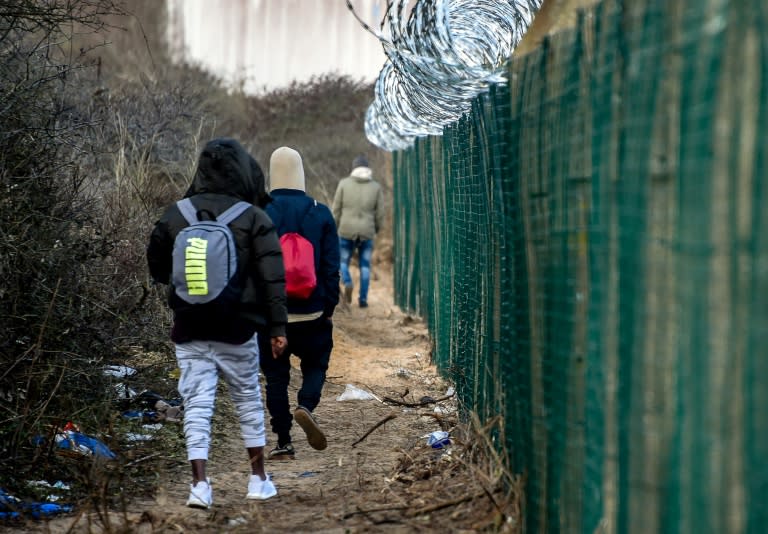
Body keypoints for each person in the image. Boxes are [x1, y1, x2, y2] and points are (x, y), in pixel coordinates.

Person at [147, 138, 287, 508]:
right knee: (247, 399)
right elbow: (273, 278)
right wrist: (277, 329)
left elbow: (158, 268)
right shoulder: (254, 216)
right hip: (237, 328)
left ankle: (199, 486)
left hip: (189, 326)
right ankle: (258, 479)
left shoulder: (177, 213)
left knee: (196, 403)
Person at [259, 146, 340, 459]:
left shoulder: (259, 213)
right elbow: (331, 268)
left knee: (276, 377)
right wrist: (328, 308)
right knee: (317, 362)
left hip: (272, 317)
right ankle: (306, 404)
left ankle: (282, 441)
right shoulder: (320, 212)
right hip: (313, 311)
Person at [331, 154, 384, 308]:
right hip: (367, 232)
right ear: (368, 169)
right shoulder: (375, 187)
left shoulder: (343, 184)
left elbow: (336, 209)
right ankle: (363, 300)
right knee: (365, 266)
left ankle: (347, 282)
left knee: (342, 262)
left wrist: (334, 227)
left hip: (346, 230)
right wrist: (376, 230)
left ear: (353, 169)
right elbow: (380, 213)